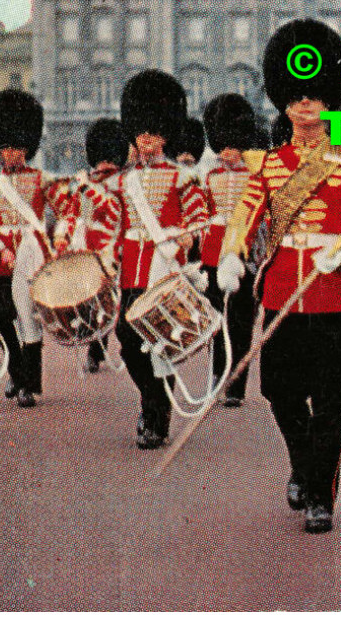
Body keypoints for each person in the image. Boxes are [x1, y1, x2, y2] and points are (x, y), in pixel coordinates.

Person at [221, 20, 341, 532]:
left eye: (315, 93)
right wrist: (233, 254)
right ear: (283, 99)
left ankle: (321, 493)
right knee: (277, 390)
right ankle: (303, 462)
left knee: (329, 399)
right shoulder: (270, 165)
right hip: (281, 292)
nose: (306, 104)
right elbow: (246, 215)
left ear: (330, 99)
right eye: (296, 94)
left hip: (334, 295)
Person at [94, 70, 210, 450]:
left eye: (154, 131)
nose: (146, 138)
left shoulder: (182, 177)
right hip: (132, 269)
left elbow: (197, 219)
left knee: (161, 342)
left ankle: (156, 416)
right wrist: (108, 258)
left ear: (166, 135)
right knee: (127, 340)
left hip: (163, 268)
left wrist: (185, 240)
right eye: (141, 130)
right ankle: (150, 399)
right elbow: (112, 223)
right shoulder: (124, 180)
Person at [0, 89, 66, 409]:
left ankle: (29, 383)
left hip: (32, 254)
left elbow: (65, 209)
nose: (12, 154)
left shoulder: (41, 179)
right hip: (3, 258)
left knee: (28, 319)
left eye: (17, 147)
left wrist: (61, 239)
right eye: (6, 148)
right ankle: (16, 368)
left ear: (26, 147)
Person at [199, 94, 265, 408]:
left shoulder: (254, 176)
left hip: (243, 253)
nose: (227, 152)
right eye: (223, 144)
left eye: (232, 144)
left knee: (241, 320)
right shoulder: (209, 176)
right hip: (214, 252)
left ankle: (236, 383)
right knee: (215, 318)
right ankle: (217, 374)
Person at [56, 117, 127, 374]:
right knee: (95, 304)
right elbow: (73, 213)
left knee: (120, 304)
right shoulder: (87, 183)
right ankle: (96, 351)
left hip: (118, 248)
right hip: (91, 250)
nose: (105, 164)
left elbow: (113, 211)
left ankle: (125, 345)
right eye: (102, 158)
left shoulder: (121, 183)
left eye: (110, 158)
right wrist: (63, 236)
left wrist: (89, 187)